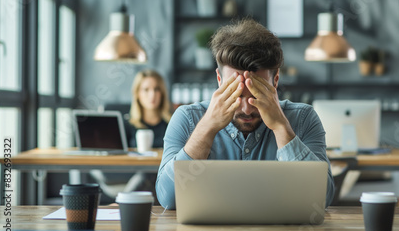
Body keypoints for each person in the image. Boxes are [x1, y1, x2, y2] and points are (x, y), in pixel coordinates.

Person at [156, 18, 334, 209]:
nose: (247, 109)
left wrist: (281, 128)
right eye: (236, 93)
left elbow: (322, 198)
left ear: (275, 80)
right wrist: (207, 127)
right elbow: (168, 198)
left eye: (258, 94)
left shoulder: (303, 119)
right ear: (219, 79)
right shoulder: (187, 118)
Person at [91, 69, 172, 200]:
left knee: (150, 173)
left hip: (163, 178)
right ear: (138, 94)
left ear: (162, 93)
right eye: (146, 90)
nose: (152, 95)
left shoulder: (172, 124)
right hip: (130, 177)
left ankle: (120, 204)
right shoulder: (127, 124)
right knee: (147, 174)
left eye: (156, 89)